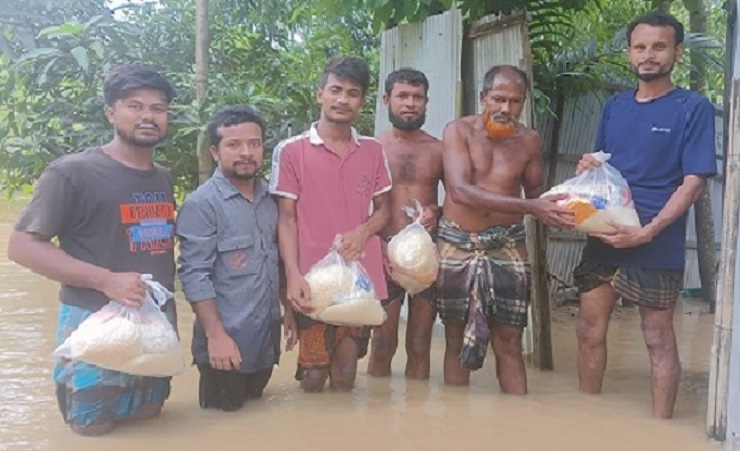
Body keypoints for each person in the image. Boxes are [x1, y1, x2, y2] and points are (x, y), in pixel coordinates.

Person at [7, 64, 177, 435]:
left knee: (150, 418)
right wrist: (105, 280)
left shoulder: (162, 177)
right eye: (135, 106)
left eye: (158, 108)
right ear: (110, 112)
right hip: (91, 322)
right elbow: (21, 246)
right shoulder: (72, 172)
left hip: (154, 325)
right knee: (92, 429)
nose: (148, 116)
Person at [573, 12, 717, 419]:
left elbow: (693, 184)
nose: (648, 55)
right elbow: (601, 167)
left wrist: (648, 232)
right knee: (588, 329)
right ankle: (585, 419)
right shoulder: (615, 105)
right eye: (641, 47)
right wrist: (586, 166)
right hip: (604, 235)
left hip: (657, 238)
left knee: (657, 337)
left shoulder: (693, 107)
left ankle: (659, 431)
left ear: (678, 52)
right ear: (630, 52)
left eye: (659, 47)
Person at [439, 64, 574, 393]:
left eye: (515, 102)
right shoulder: (458, 131)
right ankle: (451, 430)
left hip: (507, 244)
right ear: (483, 97)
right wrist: (532, 207)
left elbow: (539, 197)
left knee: (510, 338)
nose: (505, 109)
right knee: (455, 336)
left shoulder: (529, 141)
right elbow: (459, 191)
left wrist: (581, 187)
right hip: (457, 240)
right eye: (498, 99)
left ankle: (518, 429)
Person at [270, 56, 392, 392]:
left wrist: (363, 231)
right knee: (313, 375)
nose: (342, 99)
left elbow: (384, 211)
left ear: (362, 102)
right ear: (320, 94)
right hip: (312, 278)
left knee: (346, 373)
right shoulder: (291, 151)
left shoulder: (373, 150)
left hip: (359, 279)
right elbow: (286, 218)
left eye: (352, 93)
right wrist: (292, 275)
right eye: (335, 90)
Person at [177, 105, 295, 412]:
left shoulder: (274, 199)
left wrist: (289, 311)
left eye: (254, 144)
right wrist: (216, 336)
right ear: (215, 152)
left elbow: (278, 262)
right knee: (222, 426)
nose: (246, 152)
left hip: (265, 342)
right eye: (234, 145)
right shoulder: (202, 204)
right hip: (225, 346)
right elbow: (194, 274)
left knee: (254, 422)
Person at [367, 68, 443, 380]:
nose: (410, 103)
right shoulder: (372, 148)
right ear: (387, 99)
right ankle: (375, 412)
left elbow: (456, 199)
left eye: (417, 97)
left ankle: (418, 421)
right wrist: (375, 247)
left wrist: (435, 212)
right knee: (382, 341)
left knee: (420, 342)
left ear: (426, 102)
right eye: (402, 96)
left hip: (426, 257)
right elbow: (360, 205)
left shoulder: (438, 149)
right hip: (385, 253)